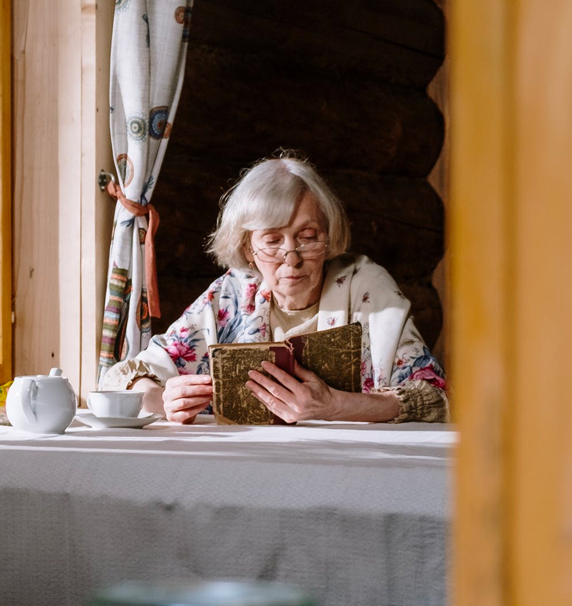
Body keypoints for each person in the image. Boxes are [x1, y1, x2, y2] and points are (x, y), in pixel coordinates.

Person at [99, 154, 448, 424]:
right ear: (249, 249)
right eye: (272, 241)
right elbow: (121, 380)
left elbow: (434, 399)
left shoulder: (365, 286)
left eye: (308, 237)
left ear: (328, 238)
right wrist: (164, 400)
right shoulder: (234, 294)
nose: (291, 258)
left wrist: (335, 405)